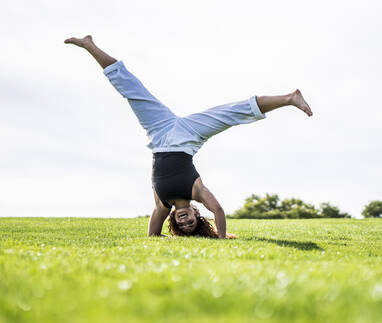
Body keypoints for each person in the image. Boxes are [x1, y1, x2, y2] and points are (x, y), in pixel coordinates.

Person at [64, 35, 313, 239]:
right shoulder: (196, 192)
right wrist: (221, 237)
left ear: (174, 220)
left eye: (181, 227)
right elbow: (218, 210)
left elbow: (152, 237)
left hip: (159, 134)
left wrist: (159, 236)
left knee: (131, 90)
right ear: (196, 213)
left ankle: (90, 45)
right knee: (231, 113)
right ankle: (290, 98)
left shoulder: (162, 204)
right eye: (191, 223)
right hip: (187, 136)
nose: (185, 223)